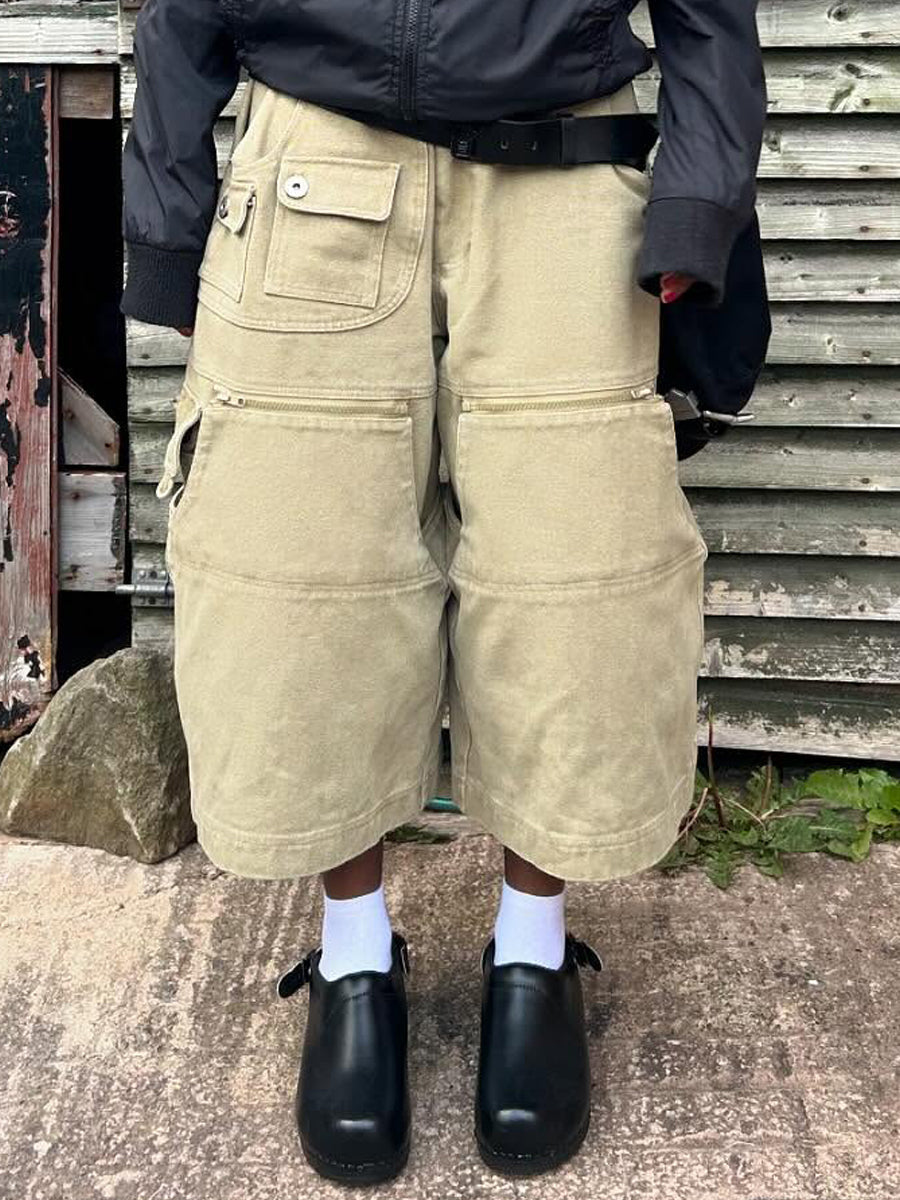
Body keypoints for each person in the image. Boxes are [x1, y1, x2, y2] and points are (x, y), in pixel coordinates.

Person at [121, 0, 766, 1183]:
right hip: (311, 159)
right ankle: (353, 953)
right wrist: (165, 224)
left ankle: (534, 947)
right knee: (297, 580)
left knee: (576, 579)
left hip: (566, 180)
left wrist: (699, 202)